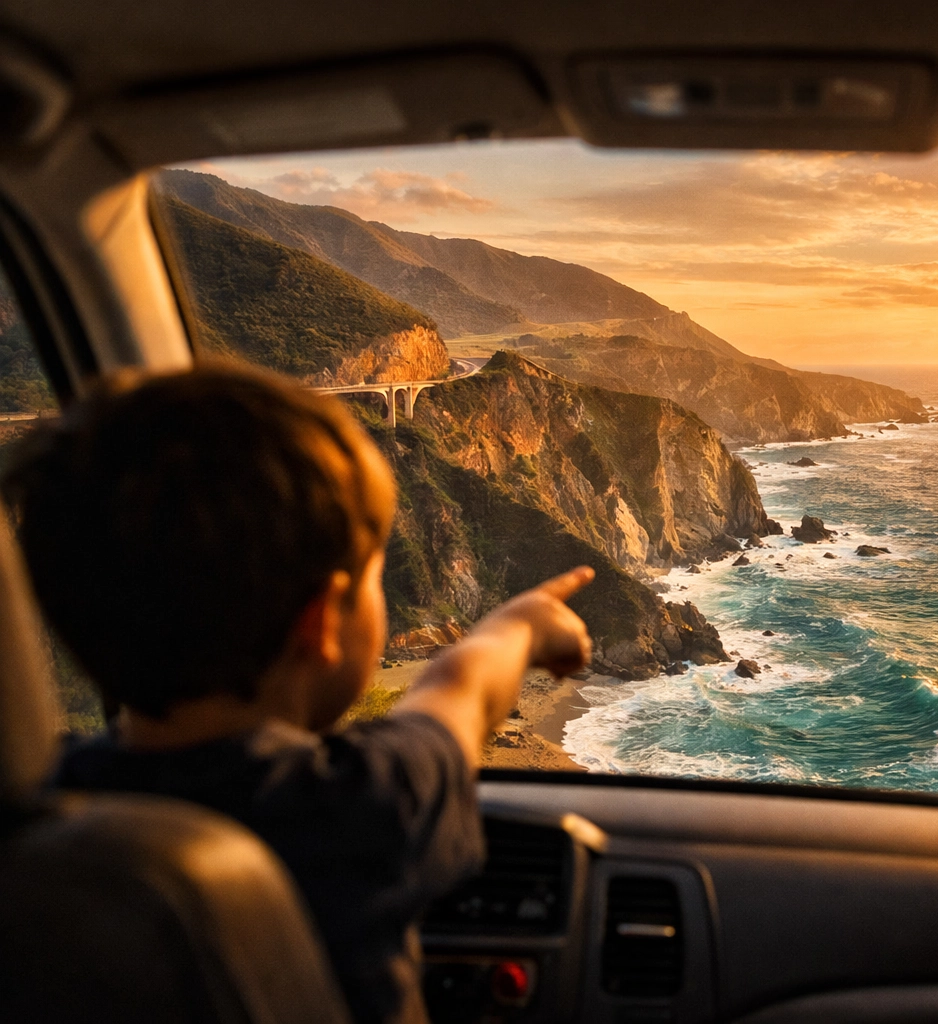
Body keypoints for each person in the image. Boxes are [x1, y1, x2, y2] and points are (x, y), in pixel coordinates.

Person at [2, 364, 594, 1024]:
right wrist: (521, 625)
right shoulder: (359, 804)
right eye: (373, 576)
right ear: (321, 623)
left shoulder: (43, 814)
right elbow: (461, 696)